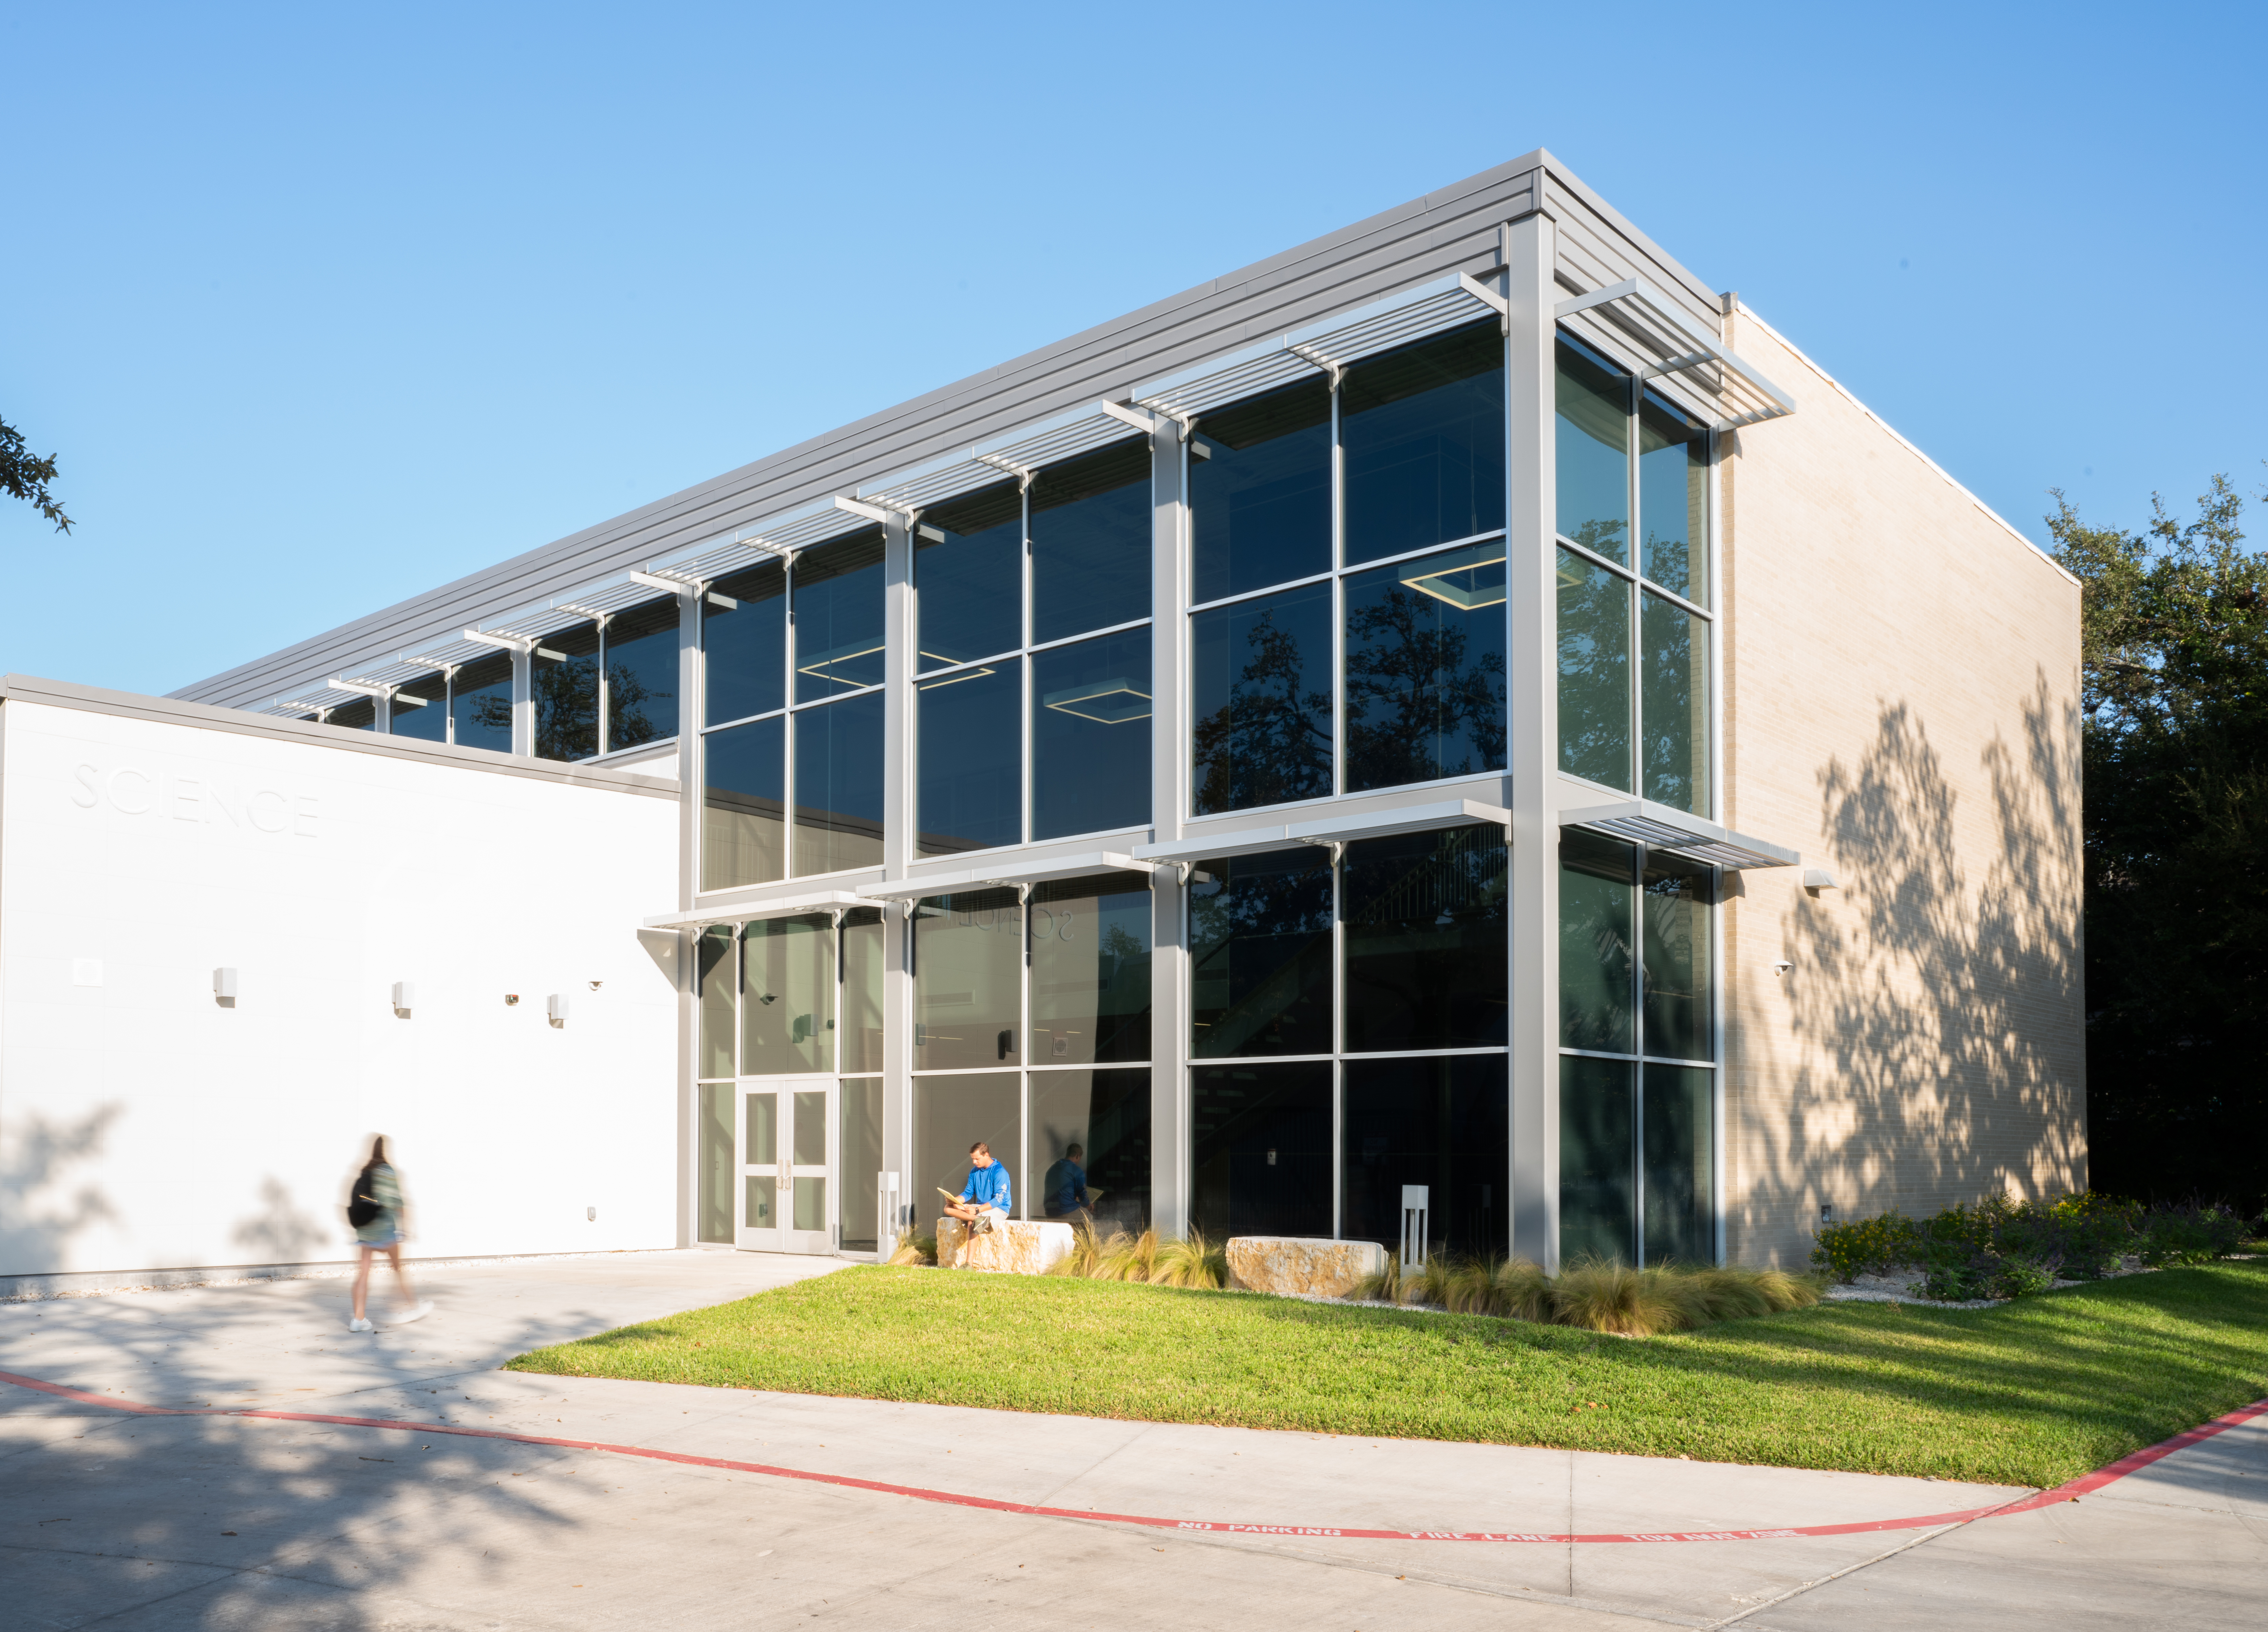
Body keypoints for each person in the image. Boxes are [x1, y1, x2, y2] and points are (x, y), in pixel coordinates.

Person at [347, 1136, 433, 1333]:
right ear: (386, 1150)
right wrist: (406, 1228)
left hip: (366, 1231)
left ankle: (359, 1320)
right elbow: (398, 1202)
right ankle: (409, 1306)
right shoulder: (389, 1172)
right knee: (398, 1270)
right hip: (386, 1231)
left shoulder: (365, 1171)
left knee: (363, 1276)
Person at [941, 1140, 1011, 1234]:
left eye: (977, 1159)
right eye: (973, 1159)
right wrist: (954, 1200)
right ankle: (979, 1219)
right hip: (980, 1208)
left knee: (972, 1224)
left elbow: (998, 1200)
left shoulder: (1000, 1172)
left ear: (986, 1155)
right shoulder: (974, 1171)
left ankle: (977, 1220)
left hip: (999, 1209)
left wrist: (977, 1210)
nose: (974, 1162)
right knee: (948, 1208)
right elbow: (968, 1193)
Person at [1043, 1142, 1091, 1220]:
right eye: (1080, 1159)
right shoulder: (1076, 1170)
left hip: (1049, 1210)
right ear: (1078, 1156)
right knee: (1088, 1217)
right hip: (1065, 1210)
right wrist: (1089, 1206)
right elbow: (1083, 1195)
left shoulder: (1052, 1169)